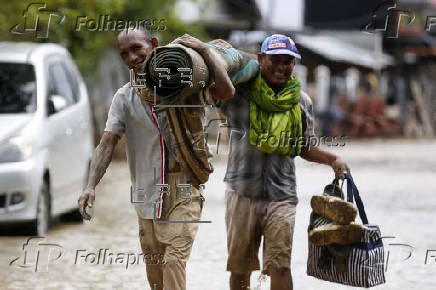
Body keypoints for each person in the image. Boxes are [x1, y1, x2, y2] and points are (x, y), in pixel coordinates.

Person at [77, 28, 233, 290]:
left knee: (174, 261)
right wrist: (90, 185)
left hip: (184, 188)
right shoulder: (124, 98)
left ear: (153, 45)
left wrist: (205, 51)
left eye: (137, 48)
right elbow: (106, 144)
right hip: (145, 194)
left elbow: (226, 91)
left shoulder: (187, 84)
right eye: (124, 53)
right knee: (157, 279)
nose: (132, 57)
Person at [216, 34, 350, 290]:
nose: (281, 67)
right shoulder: (238, 95)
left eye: (287, 61)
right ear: (260, 60)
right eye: (274, 60)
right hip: (241, 192)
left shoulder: (301, 102)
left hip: (282, 195)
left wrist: (333, 159)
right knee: (239, 267)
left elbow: (304, 147)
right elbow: (214, 88)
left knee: (280, 265)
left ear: (294, 64)